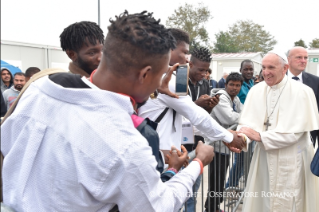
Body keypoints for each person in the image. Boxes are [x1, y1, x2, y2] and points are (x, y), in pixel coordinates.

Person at [1, 11, 219, 211]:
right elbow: (158, 206)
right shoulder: (127, 144)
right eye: (162, 75)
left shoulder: (40, 89)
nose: (162, 84)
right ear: (144, 74)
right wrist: (198, 163)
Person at [138, 31, 245, 212]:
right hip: (158, 161)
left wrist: (224, 135)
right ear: (168, 49)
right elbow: (195, 114)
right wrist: (227, 136)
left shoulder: (165, 76)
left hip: (166, 157)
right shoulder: (167, 78)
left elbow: (188, 120)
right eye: (184, 52)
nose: (187, 59)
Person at [238, 51, 319, 211]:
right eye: (264, 67)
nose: (266, 72)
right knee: (263, 202)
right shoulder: (256, 90)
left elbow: (294, 135)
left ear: (285, 68)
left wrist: (260, 136)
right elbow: (246, 125)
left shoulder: (303, 92)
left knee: (292, 202)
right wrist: (241, 138)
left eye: (271, 68)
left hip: (293, 157)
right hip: (264, 159)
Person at [205, 72, 244, 212]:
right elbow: (229, 118)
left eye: (238, 85)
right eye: (232, 84)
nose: (234, 88)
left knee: (220, 180)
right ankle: (210, 208)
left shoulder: (235, 99)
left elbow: (241, 112)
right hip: (215, 146)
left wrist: (241, 116)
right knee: (216, 180)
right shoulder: (221, 97)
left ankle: (214, 207)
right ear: (226, 85)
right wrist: (244, 117)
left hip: (225, 146)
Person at [225, 59, 255, 190]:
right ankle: (230, 186)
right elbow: (233, 113)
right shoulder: (240, 87)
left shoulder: (252, 83)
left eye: (251, 69)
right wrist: (247, 117)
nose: (248, 71)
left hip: (250, 126)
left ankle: (236, 186)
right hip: (240, 126)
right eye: (246, 69)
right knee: (240, 161)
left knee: (245, 161)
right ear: (241, 69)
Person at [287, 46, 319, 147]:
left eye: (306, 58)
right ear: (288, 59)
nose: (303, 61)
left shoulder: (315, 81)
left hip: (308, 136)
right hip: (283, 134)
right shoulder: (278, 80)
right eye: (299, 57)